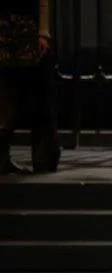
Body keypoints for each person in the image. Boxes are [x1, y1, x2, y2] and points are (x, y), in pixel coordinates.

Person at [0, 0, 60, 174]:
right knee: (17, 94)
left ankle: (42, 157)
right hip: (16, 29)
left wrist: (43, 31)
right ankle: (42, 158)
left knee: (30, 93)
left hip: (24, 29)